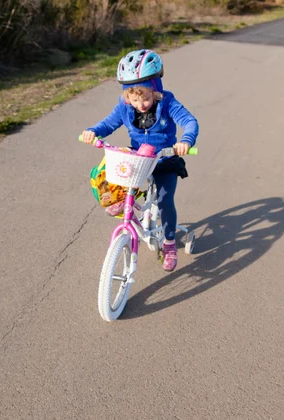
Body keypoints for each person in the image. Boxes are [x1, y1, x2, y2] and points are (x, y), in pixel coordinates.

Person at [81, 49, 199, 272]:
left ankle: (170, 243)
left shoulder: (168, 102)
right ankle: (124, 205)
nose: (140, 104)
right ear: (127, 96)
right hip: (138, 160)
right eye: (134, 99)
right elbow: (108, 124)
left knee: (164, 199)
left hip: (164, 159)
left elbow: (190, 121)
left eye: (144, 97)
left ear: (156, 90)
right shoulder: (125, 106)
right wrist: (93, 131)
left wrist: (186, 140)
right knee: (107, 176)